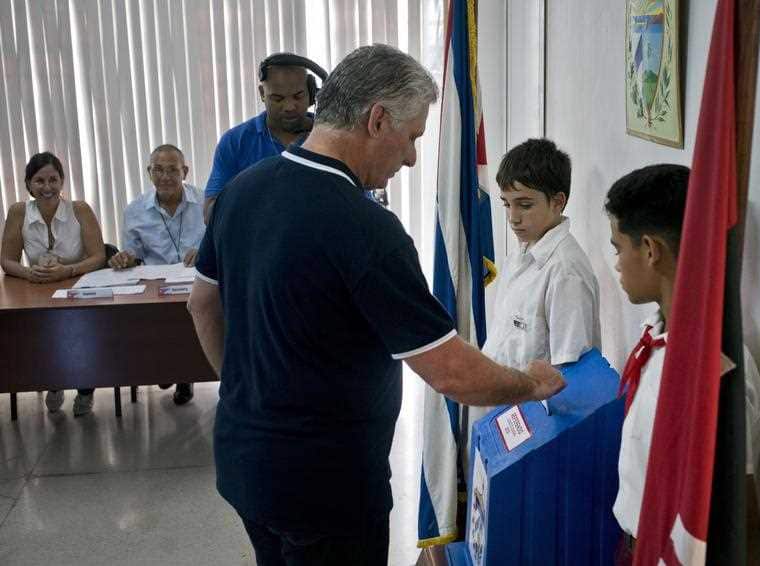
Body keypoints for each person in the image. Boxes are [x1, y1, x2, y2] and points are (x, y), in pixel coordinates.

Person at [188, 44, 566, 566]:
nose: (411, 157)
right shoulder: (366, 229)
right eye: (411, 138)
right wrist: (533, 384)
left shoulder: (242, 190)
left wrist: (237, 386)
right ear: (377, 119)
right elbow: (451, 373)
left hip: (244, 460)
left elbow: (202, 302)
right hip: (327, 487)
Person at [604, 164, 760, 565]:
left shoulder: (711, 371)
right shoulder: (656, 337)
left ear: (651, 250)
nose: (618, 263)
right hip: (634, 545)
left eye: (618, 248)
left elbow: (740, 511)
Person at [477, 139, 601, 423]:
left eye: (524, 205)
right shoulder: (522, 251)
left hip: (534, 424)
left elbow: (569, 376)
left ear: (558, 202)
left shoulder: (565, 272)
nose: (513, 217)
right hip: (501, 415)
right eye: (507, 204)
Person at [0, 151, 106, 416]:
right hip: (38, 288)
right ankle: (54, 380)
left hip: (79, 285)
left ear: (62, 182)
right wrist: (28, 273)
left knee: (83, 332)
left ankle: (85, 387)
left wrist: (67, 271)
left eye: (53, 180)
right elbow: (6, 260)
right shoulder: (18, 212)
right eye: (39, 181)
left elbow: (98, 256)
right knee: (42, 333)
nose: (47, 187)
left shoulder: (79, 209)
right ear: (28, 184)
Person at [108, 144, 205, 405]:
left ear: (184, 171)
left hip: (196, 281)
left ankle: (185, 375)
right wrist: (124, 258)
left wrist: (205, 251)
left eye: (172, 170)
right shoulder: (134, 210)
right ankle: (168, 367)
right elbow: (132, 254)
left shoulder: (205, 203)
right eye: (158, 170)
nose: (165, 176)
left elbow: (221, 241)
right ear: (149, 173)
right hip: (155, 286)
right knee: (159, 326)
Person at [203, 52, 327, 221]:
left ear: (313, 94)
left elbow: (360, 204)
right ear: (262, 93)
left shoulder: (331, 138)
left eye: (298, 96)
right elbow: (210, 214)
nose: (289, 106)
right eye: (277, 98)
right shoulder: (235, 142)